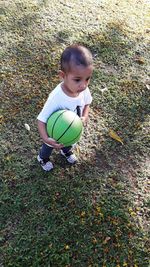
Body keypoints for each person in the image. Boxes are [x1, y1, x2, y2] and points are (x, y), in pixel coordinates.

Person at [37, 44, 94, 171]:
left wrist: (85, 116)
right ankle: (42, 158)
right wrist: (46, 138)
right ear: (63, 76)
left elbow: (87, 103)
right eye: (77, 80)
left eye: (87, 79)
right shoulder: (56, 97)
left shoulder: (83, 90)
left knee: (69, 142)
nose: (83, 85)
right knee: (47, 148)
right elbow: (41, 120)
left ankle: (65, 151)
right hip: (54, 132)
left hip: (71, 130)